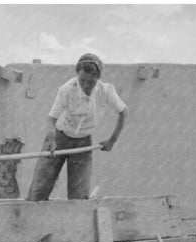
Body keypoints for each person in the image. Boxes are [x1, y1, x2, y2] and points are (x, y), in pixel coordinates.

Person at [26, 53, 127, 201]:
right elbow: (51, 118)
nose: (86, 85)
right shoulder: (66, 89)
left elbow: (124, 112)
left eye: (91, 82)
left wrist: (112, 140)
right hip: (58, 139)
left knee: (79, 196)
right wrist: (52, 140)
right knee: (39, 189)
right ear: (77, 74)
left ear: (98, 78)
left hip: (83, 144)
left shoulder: (105, 91)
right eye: (82, 80)